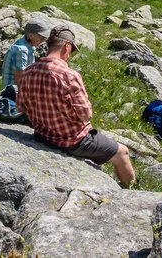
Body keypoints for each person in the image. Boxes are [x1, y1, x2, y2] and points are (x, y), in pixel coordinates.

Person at [17, 26, 136, 186]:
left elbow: (20, 108)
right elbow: (86, 115)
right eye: (71, 50)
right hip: (72, 141)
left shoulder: (28, 72)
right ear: (67, 46)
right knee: (122, 152)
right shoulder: (69, 76)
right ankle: (132, 190)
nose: (69, 55)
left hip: (42, 135)